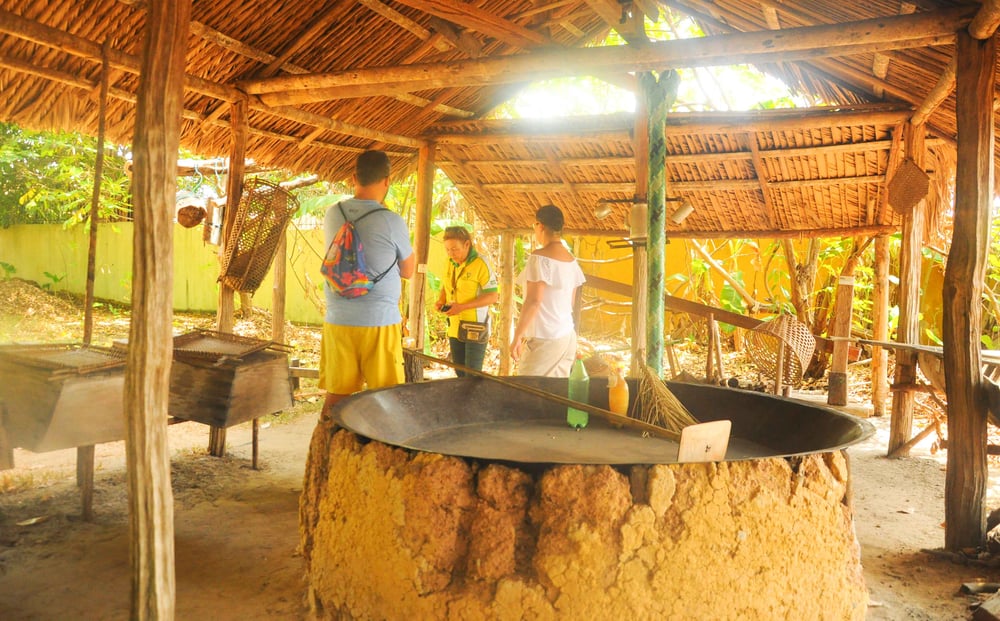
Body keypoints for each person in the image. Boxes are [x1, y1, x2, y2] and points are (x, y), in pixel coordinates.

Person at [319, 150, 415, 421]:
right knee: (385, 399)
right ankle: (379, 453)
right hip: (379, 322)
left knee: (336, 399)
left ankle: (325, 452)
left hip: (338, 321)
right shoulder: (391, 220)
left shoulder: (332, 214)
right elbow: (408, 270)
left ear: (353, 178)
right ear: (387, 180)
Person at [510, 204, 586, 377]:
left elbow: (533, 301)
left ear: (540, 226)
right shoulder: (571, 260)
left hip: (545, 339)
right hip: (566, 336)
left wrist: (517, 337)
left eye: (535, 226)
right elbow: (571, 303)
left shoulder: (539, 258)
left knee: (528, 392)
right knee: (556, 395)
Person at [435, 225, 499, 375]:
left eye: (455, 249)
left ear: (467, 244)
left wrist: (462, 307)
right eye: (448, 250)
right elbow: (446, 284)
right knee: (460, 372)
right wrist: (441, 300)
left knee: (472, 375)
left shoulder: (480, 263)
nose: (451, 253)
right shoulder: (450, 262)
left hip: (475, 328)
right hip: (455, 326)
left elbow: (492, 296)